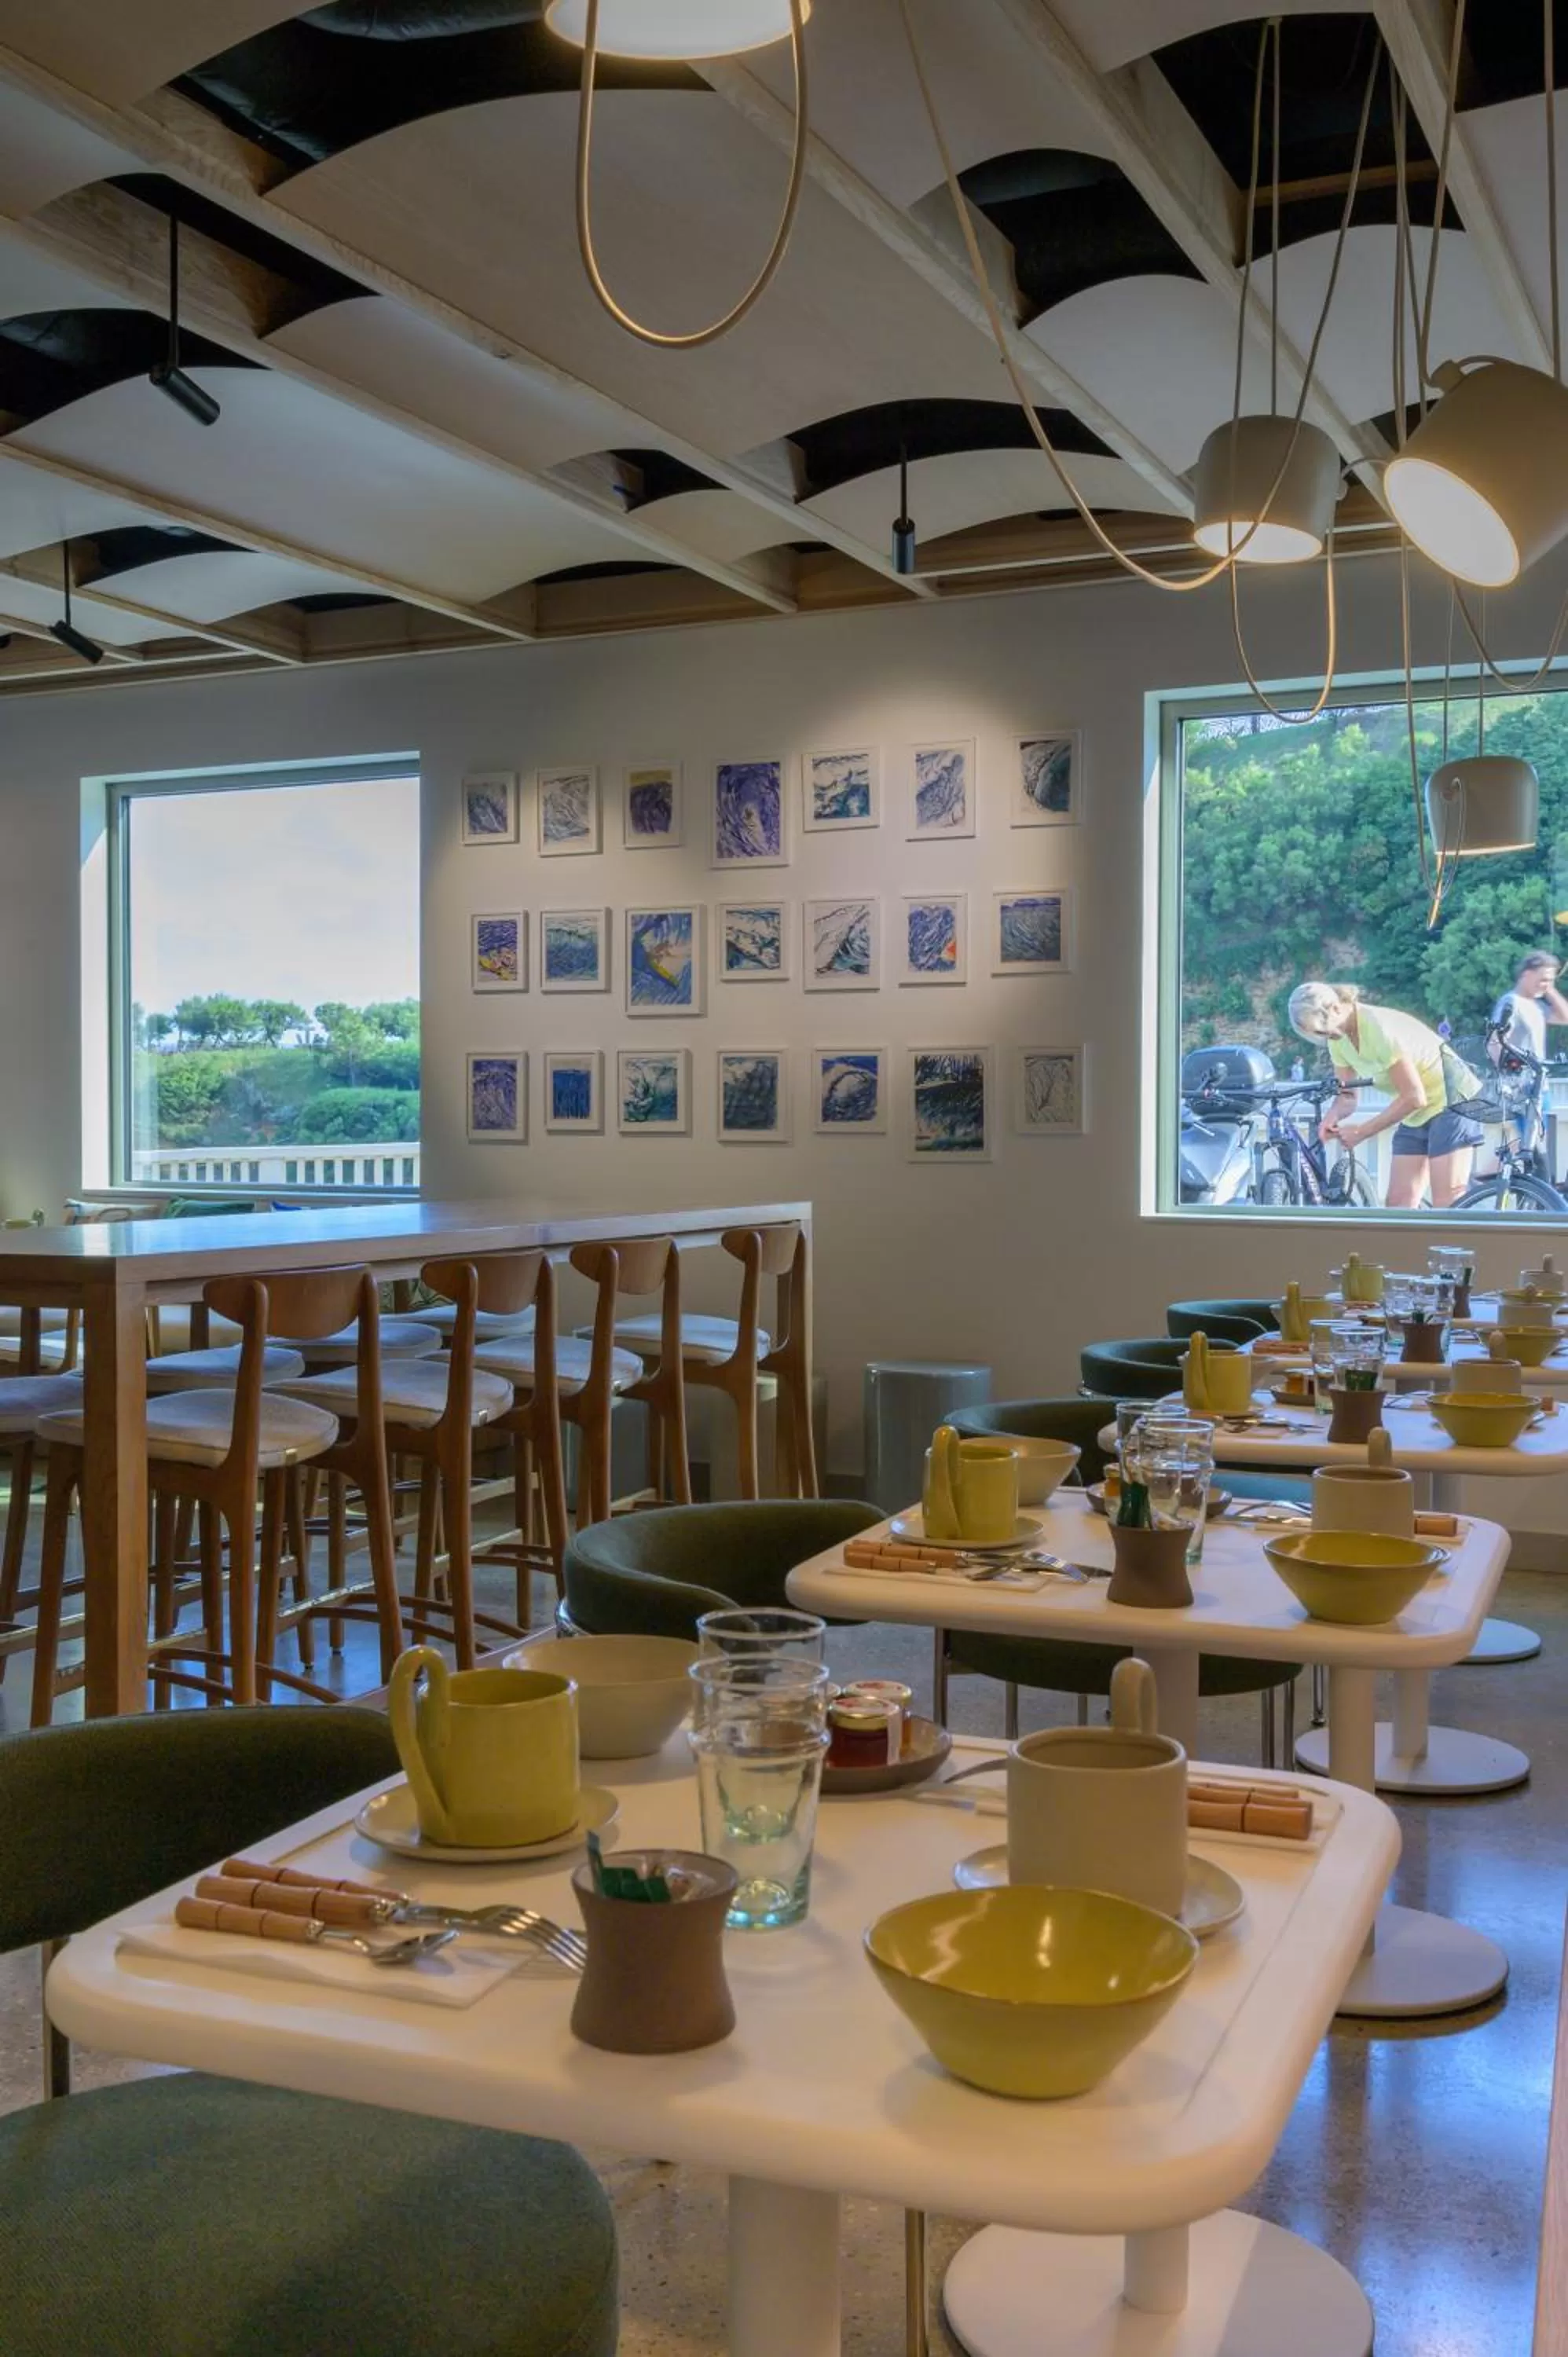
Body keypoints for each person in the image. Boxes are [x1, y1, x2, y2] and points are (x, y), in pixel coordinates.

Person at [1287, 980, 1482, 1209]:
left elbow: (1414, 1097)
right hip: (1417, 1110)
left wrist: (1362, 1131)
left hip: (1453, 1098)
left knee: (1446, 1202)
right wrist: (1333, 1116)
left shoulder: (1377, 1028)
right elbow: (1348, 1095)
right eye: (1318, 1035)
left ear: (1336, 1009)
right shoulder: (1337, 1039)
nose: (1326, 1036)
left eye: (1323, 1030)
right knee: (1398, 1205)